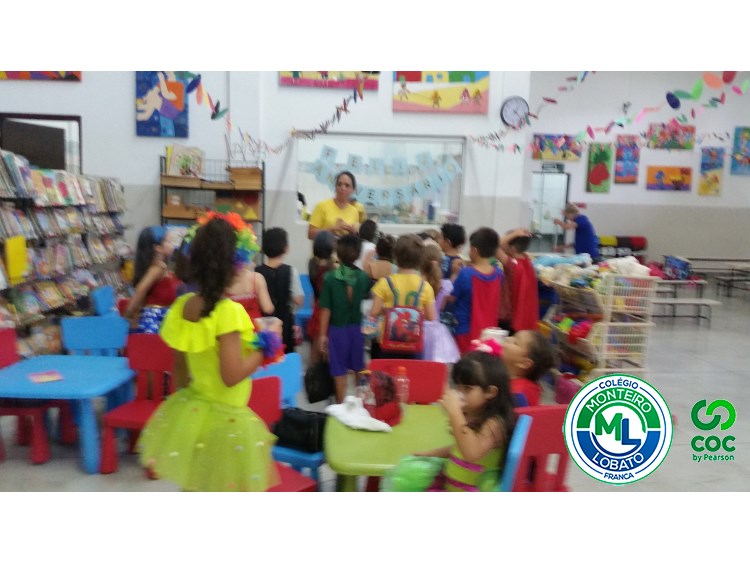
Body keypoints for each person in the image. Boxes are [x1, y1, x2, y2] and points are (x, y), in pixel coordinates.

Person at [137, 215, 283, 492]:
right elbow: (231, 375)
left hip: (193, 410)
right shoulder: (228, 312)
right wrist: (268, 344)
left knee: (195, 483)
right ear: (234, 264)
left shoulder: (182, 306)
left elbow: (180, 371)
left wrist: (192, 410)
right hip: (226, 420)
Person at [415, 348, 515, 491]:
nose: (460, 393)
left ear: (490, 392)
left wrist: (455, 413)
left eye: (467, 389)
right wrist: (432, 454)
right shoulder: (472, 414)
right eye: (458, 386)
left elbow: (471, 453)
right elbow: (459, 447)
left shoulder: (495, 423)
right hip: (451, 485)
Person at [318, 234, 372, 403]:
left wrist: (322, 335)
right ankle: (360, 404)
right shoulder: (363, 278)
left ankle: (341, 406)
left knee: (338, 371)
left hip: (337, 329)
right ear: (358, 253)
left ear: (338, 253)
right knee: (359, 367)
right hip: (357, 329)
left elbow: (325, 309)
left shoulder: (330, 278)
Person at [369, 234, 437, 360]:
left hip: (388, 342)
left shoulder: (385, 283)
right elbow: (431, 317)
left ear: (395, 256)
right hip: (414, 343)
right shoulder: (425, 286)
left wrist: (387, 310)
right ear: (420, 260)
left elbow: (374, 312)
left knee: (387, 372)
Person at [449, 227, 503, 355]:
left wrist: (454, 275)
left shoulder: (466, 273)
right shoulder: (499, 274)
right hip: (489, 332)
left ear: (474, 250)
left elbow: (452, 298)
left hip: (465, 330)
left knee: (466, 362)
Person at [256, 227, 304, 354]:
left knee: (265, 355)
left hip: (262, 324)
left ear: (263, 248)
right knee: (285, 355)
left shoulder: (256, 272)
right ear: (286, 248)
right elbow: (298, 300)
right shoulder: (291, 271)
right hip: (285, 323)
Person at [124, 225, 179, 333]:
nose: (173, 245)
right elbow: (141, 289)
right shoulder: (158, 268)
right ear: (158, 248)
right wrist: (127, 314)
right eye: (169, 242)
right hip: (155, 321)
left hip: (160, 318)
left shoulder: (159, 267)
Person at [420, 244, 460, 364]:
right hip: (435, 330)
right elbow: (442, 306)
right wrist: (454, 275)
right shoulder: (445, 285)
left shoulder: (419, 284)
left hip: (418, 328)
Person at [497, 228, 539, 334]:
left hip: (509, 318)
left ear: (512, 248)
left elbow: (494, 246)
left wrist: (514, 234)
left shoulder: (513, 265)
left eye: (506, 243)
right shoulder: (527, 261)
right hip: (524, 318)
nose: (504, 246)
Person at [501, 330, 557, 407]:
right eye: (512, 336)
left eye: (515, 342)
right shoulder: (503, 376)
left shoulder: (519, 393)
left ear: (524, 363)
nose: (507, 338)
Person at [307, 230, 337, 366]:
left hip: (317, 306)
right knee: (327, 342)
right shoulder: (333, 268)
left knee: (316, 340)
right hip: (330, 308)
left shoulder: (312, 264)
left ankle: (314, 369)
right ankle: (327, 369)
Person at [307, 171, 360, 240]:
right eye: (339, 184)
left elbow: (353, 240)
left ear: (353, 190)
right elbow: (310, 234)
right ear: (335, 187)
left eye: (347, 185)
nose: (342, 188)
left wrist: (353, 232)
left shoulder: (354, 211)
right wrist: (333, 228)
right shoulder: (322, 206)